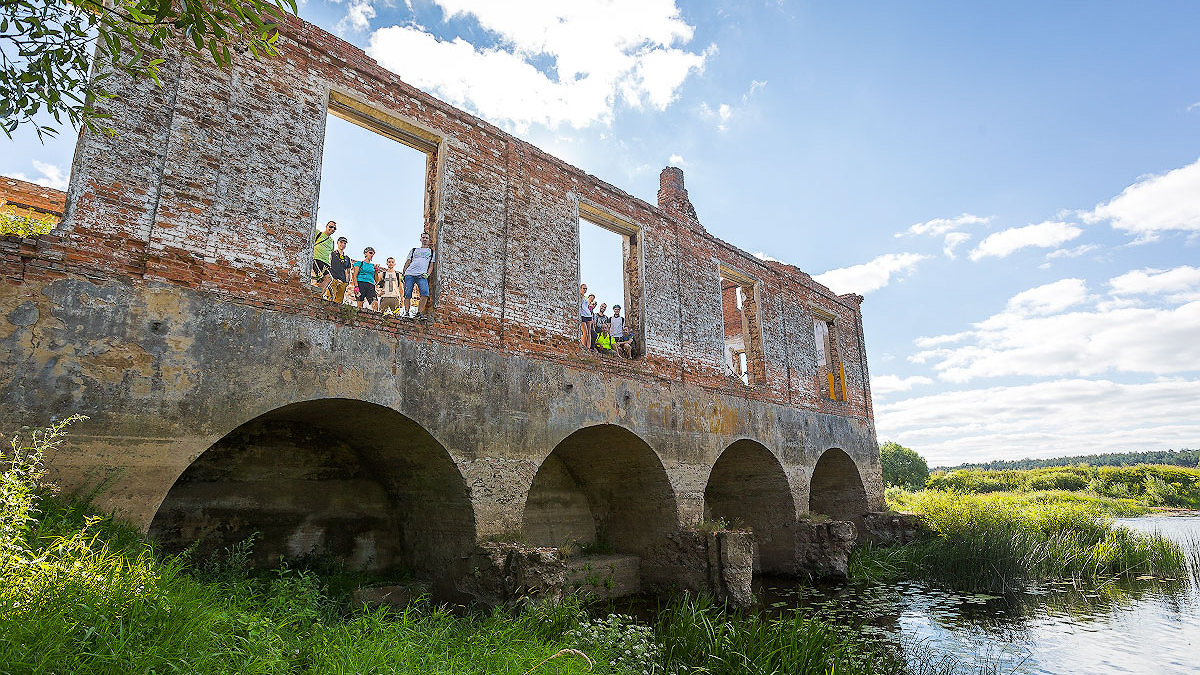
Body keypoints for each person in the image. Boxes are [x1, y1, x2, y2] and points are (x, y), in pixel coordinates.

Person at [402, 231, 437, 320]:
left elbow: (431, 265)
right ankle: (406, 312)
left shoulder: (431, 252)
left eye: (427, 238)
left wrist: (428, 274)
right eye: (423, 238)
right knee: (407, 294)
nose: (425, 239)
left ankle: (419, 313)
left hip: (422, 275)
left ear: (429, 241)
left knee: (425, 293)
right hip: (409, 274)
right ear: (420, 239)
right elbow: (408, 262)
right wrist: (404, 273)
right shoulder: (414, 250)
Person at [311, 221, 337, 291]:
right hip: (317, 259)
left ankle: (316, 295)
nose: (332, 229)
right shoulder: (318, 233)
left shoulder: (332, 241)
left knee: (323, 280)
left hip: (326, 263)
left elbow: (330, 254)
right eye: (331, 227)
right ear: (326, 226)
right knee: (328, 278)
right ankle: (318, 296)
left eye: (334, 228)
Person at [326, 236, 351, 303]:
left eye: (344, 243)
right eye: (341, 242)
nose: (342, 244)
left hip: (342, 281)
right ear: (337, 243)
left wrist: (347, 282)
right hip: (333, 279)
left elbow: (348, 271)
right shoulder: (332, 254)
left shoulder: (347, 258)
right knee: (330, 298)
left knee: (339, 302)